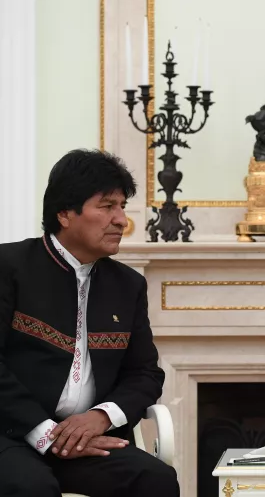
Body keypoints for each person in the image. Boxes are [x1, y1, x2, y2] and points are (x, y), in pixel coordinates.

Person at [0, 149, 179, 496]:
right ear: (65, 213)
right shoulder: (8, 267)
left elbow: (145, 373)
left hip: (87, 440)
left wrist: (102, 416)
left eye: (122, 206)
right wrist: (46, 433)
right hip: (13, 434)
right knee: (31, 486)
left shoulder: (128, 285)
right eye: (107, 206)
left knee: (155, 479)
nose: (121, 220)